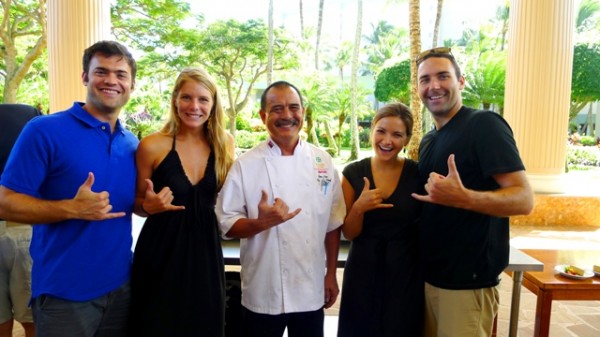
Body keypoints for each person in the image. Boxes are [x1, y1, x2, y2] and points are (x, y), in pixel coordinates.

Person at [0, 40, 138, 337]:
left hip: (121, 291)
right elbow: (5, 203)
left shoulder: (132, 144)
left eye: (121, 74)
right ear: (85, 77)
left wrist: (148, 204)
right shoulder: (44, 130)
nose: (111, 80)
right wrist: (71, 208)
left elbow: (130, 204)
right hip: (64, 294)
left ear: (131, 84)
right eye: (101, 71)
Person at [411, 47, 534, 337]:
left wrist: (464, 198)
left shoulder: (483, 125)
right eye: (425, 79)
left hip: (467, 286)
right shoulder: (430, 139)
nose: (434, 86)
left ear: (461, 82)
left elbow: (524, 198)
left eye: (443, 76)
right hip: (429, 280)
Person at [215, 80, 346, 337]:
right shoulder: (245, 165)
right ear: (264, 116)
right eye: (277, 109)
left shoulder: (323, 161)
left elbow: (332, 223)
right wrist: (261, 223)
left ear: (303, 113)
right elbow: (226, 224)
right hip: (263, 288)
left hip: (310, 288)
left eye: (293, 107)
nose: (287, 115)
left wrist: (330, 274)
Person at [130, 67, 235, 336]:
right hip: (160, 251)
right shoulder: (152, 145)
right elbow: (137, 203)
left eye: (203, 100)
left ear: (213, 105)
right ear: (175, 99)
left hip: (205, 252)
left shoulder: (224, 144)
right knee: (157, 324)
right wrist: (148, 207)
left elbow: (229, 197)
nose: (194, 106)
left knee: (206, 323)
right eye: (187, 97)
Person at [337, 103, 423, 337]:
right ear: (372, 130)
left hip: (405, 272)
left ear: (406, 139)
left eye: (397, 135)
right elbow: (349, 233)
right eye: (381, 131)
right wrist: (358, 209)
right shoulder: (352, 173)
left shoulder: (418, 174)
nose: (387, 141)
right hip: (362, 271)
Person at [0, 103, 42, 337]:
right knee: (33, 320)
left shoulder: (28, 116)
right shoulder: (26, 114)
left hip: (22, 229)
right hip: (22, 231)